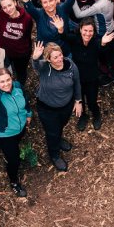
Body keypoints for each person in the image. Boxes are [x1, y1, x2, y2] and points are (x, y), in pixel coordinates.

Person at [31, 41, 82, 172]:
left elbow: (77, 83)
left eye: (60, 55)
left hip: (66, 106)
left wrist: (78, 101)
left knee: (60, 126)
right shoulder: (44, 67)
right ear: (48, 59)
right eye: (55, 57)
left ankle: (58, 140)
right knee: (52, 132)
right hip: (47, 108)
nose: (60, 59)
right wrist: (35, 58)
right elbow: (35, 65)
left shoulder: (71, 65)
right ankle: (54, 155)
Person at [55, 17, 112, 131]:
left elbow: (104, 56)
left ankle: (96, 115)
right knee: (79, 99)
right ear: (80, 29)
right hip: (77, 78)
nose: (87, 33)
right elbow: (63, 37)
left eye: (90, 31)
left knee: (92, 101)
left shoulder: (97, 41)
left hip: (92, 78)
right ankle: (83, 116)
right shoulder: (75, 39)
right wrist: (60, 29)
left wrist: (103, 44)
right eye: (85, 30)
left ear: (94, 32)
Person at [15, 0, 79, 55]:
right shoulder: (39, 14)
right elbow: (30, 8)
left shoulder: (63, 9)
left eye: (51, 1)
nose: (48, 4)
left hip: (64, 50)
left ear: (55, 0)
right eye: (45, 2)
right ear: (41, 4)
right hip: (46, 52)